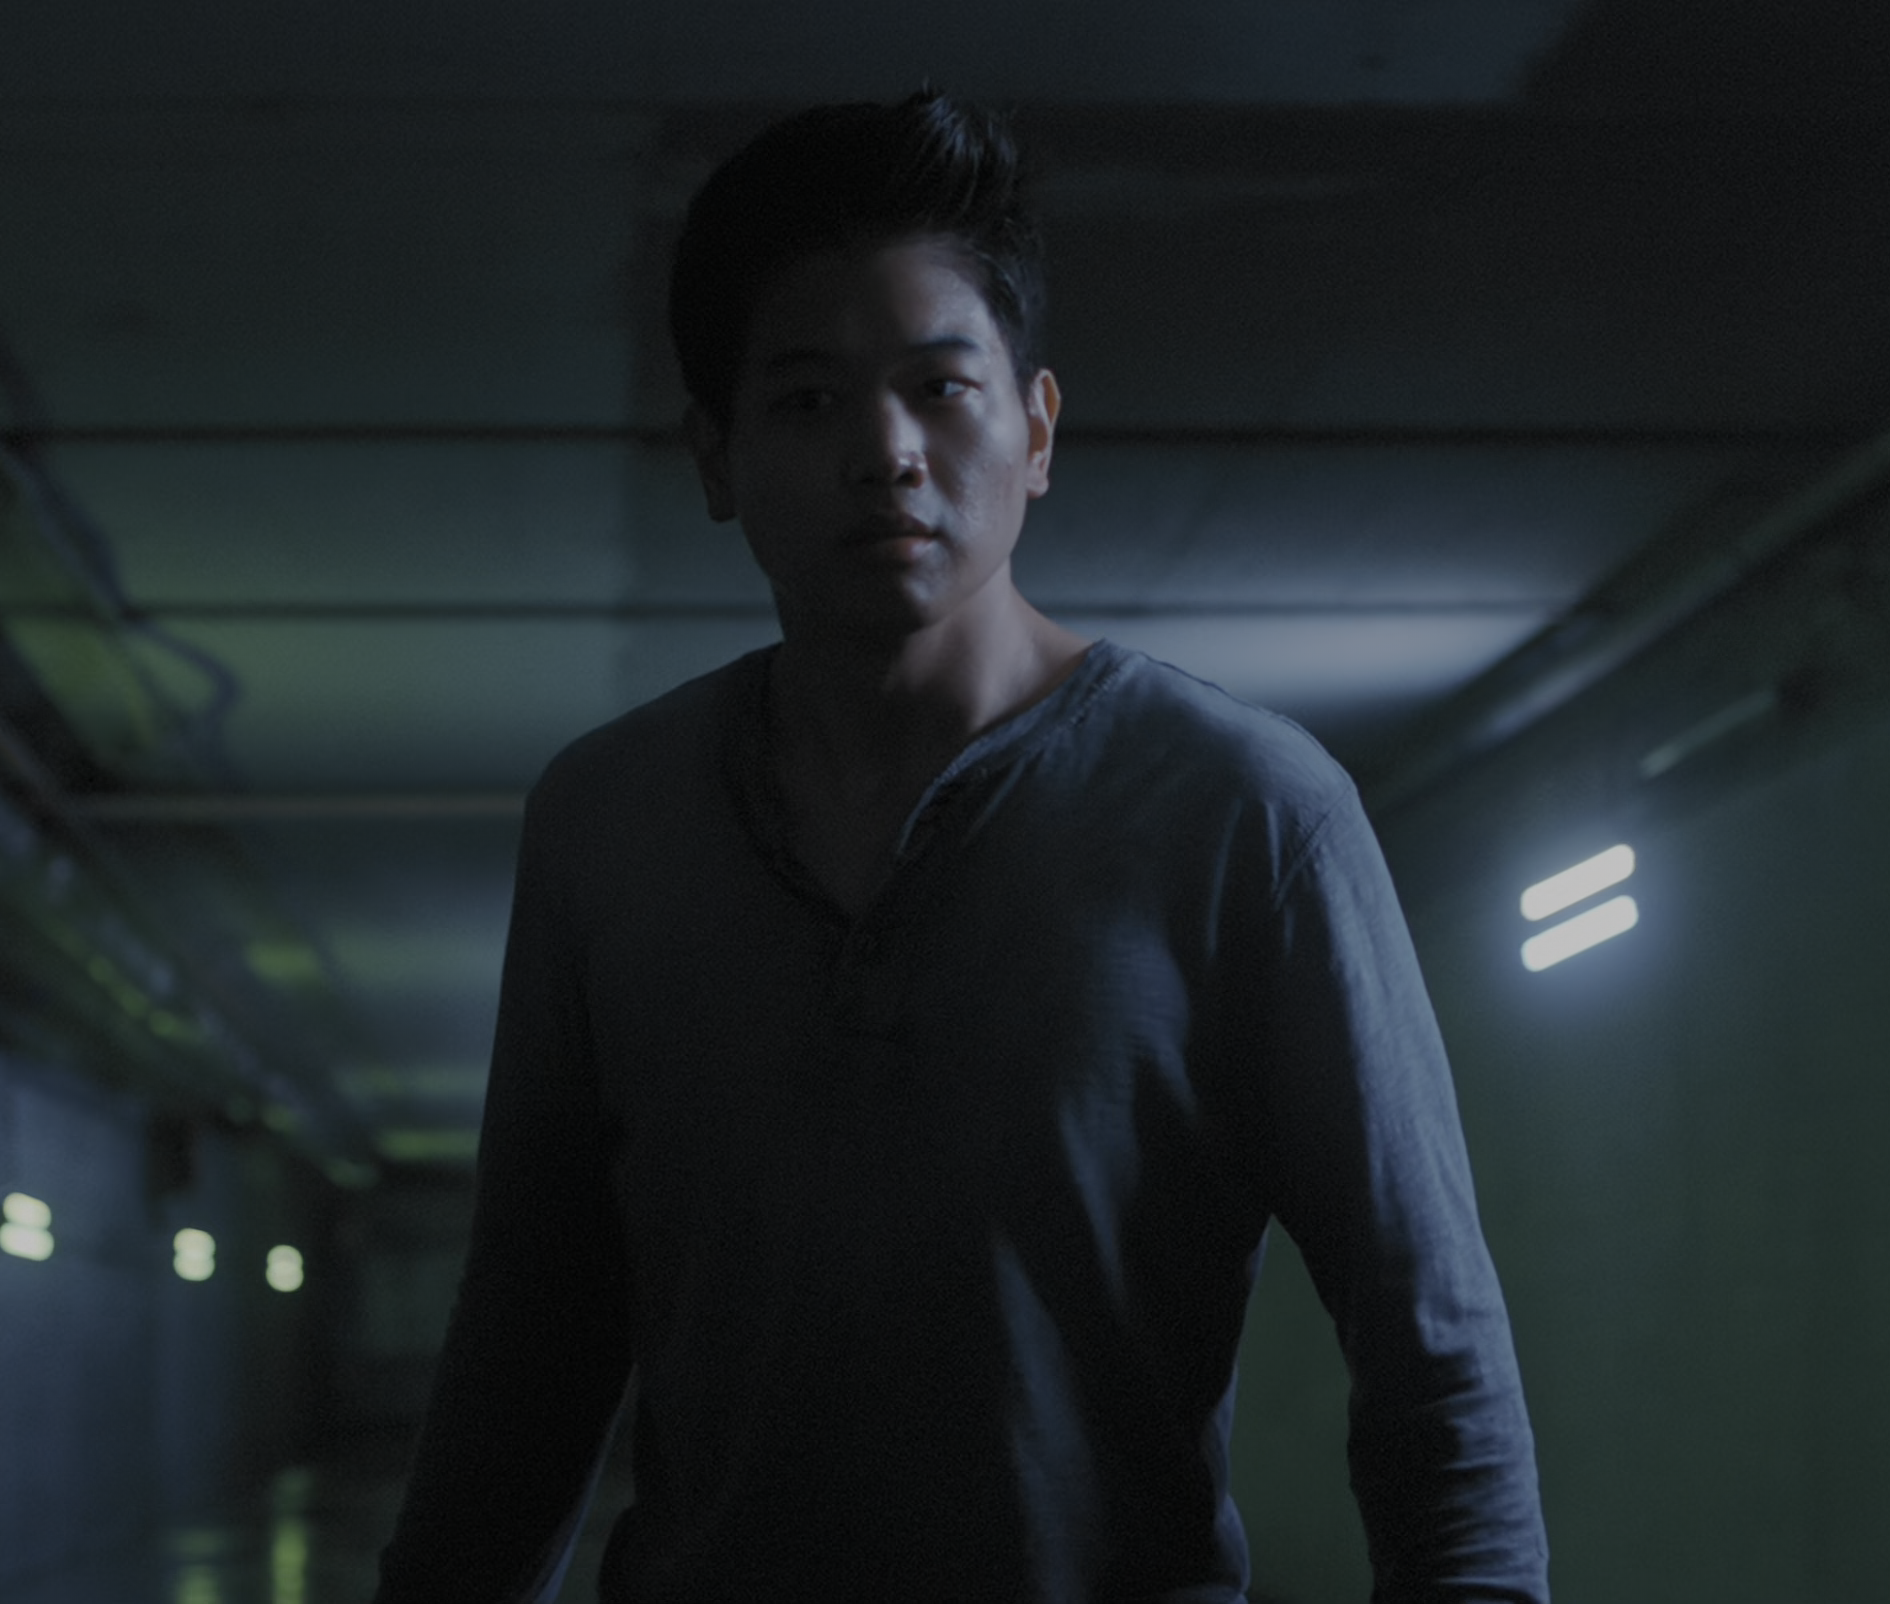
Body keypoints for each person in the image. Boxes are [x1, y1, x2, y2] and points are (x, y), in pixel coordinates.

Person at [374, 92, 1546, 1603]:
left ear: (1036, 430)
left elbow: (1431, 1353)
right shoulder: (607, 822)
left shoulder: (1247, 816)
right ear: (716, 456)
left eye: (940, 388)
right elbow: (528, 1350)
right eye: (809, 400)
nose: (888, 453)